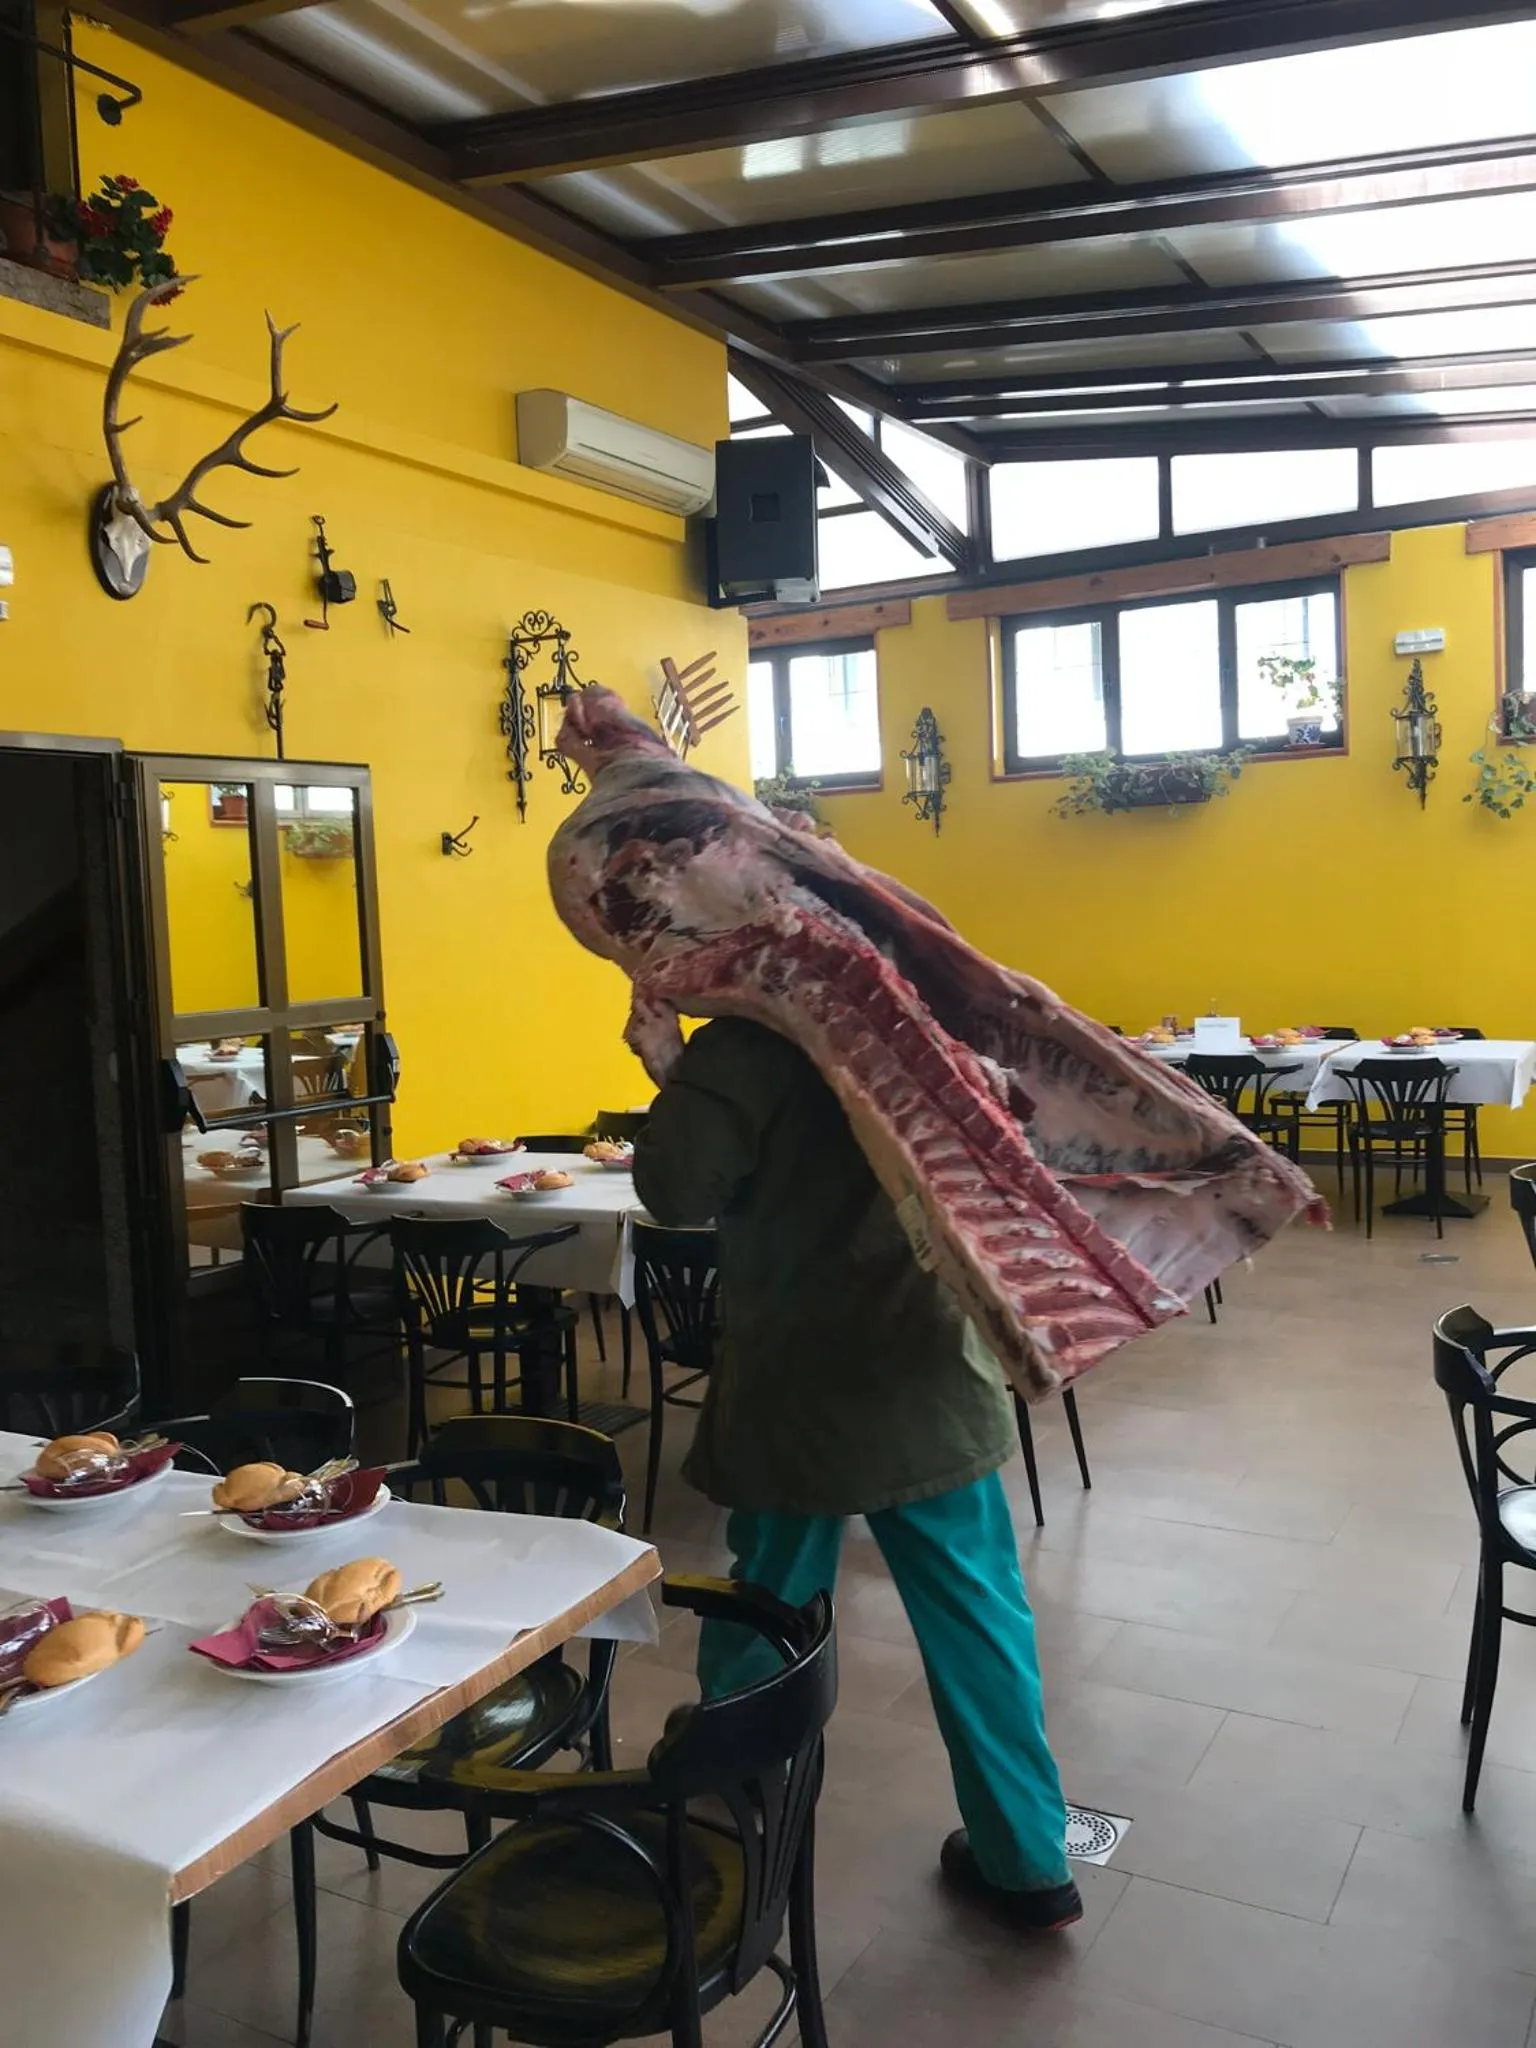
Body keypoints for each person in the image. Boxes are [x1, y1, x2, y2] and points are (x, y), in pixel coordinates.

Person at [632, 1014, 1081, 1931]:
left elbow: (673, 1189)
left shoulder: (748, 1042)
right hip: (929, 1379)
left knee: (763, 1614)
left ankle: (732, 1821)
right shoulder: (917, 1018)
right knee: (979, 1622)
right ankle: (1031, 1862)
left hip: (799, 1393)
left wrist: (673, 1070)